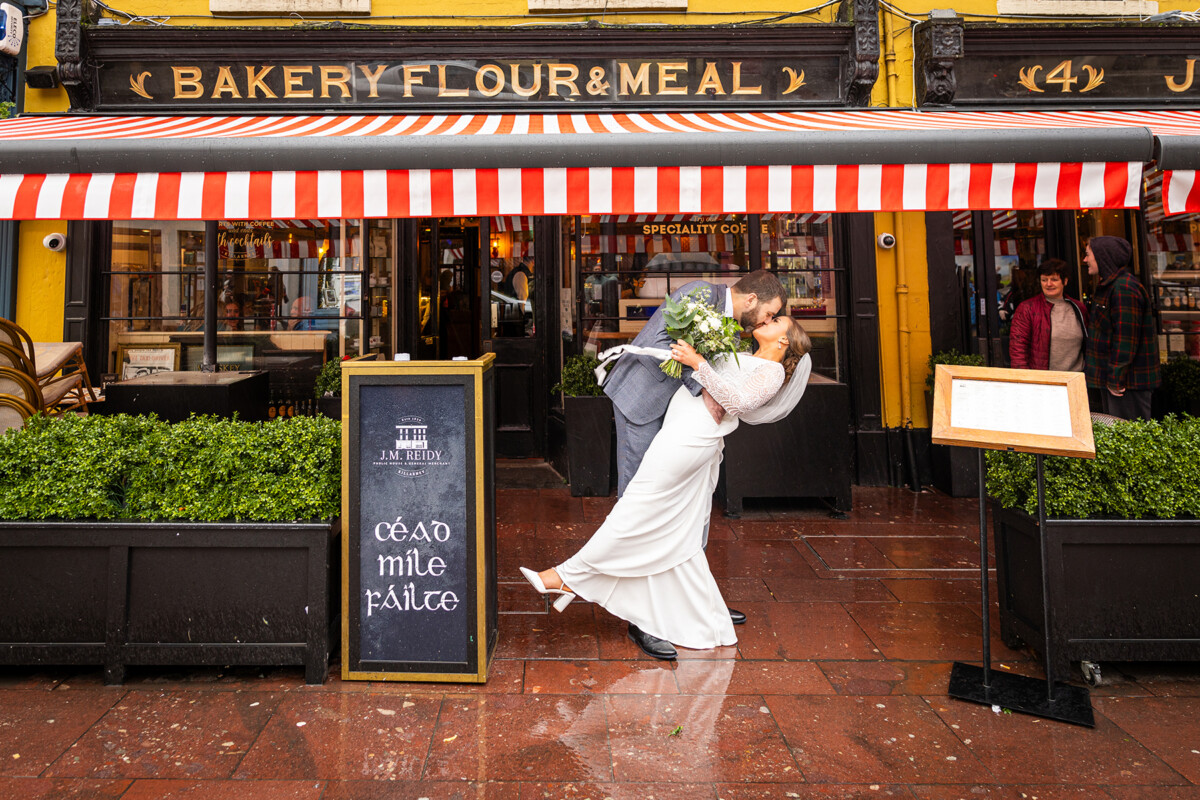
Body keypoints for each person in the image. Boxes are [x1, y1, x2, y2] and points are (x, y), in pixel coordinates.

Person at [520, 315, 812, 660]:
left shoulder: (773, 372)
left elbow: (737, 403)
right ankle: (704, 615)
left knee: (637, 505)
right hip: (681, 426)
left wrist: (699, 363)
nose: (767, 318)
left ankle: (566, 577)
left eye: (777, 320)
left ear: (784, 341)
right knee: (680, 533)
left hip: (692, 437)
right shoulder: (748, 357)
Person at [604, 270, 787, 498]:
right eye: (769, 313)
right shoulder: (701, 293)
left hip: (674, 412)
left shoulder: (735, 331)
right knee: (638, 486)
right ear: (751, 299)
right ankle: (629, 534)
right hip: (642, 396)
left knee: (661, 486)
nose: (767, 320)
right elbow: (661, 342)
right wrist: (703, 387)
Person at [1084, 236, 1160, 420]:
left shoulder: (1124, 288)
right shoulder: (1111, 286)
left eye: (1088, 255)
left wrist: (1115, 378)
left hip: (1127, 383)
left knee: (1129, 437)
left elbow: (1125, 340)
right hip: (1117, 381)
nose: (1085, 260)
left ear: (1103, 257)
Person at [1008, 259, 1089, 372]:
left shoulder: (1079, 308)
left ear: (1065, 281)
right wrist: (1024, 380)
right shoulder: (1027, 309)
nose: (1048, 284)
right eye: (1044, 280)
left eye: (1054, 279)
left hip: (1075, 380)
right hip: (1044, 382)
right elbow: (1018, 349)